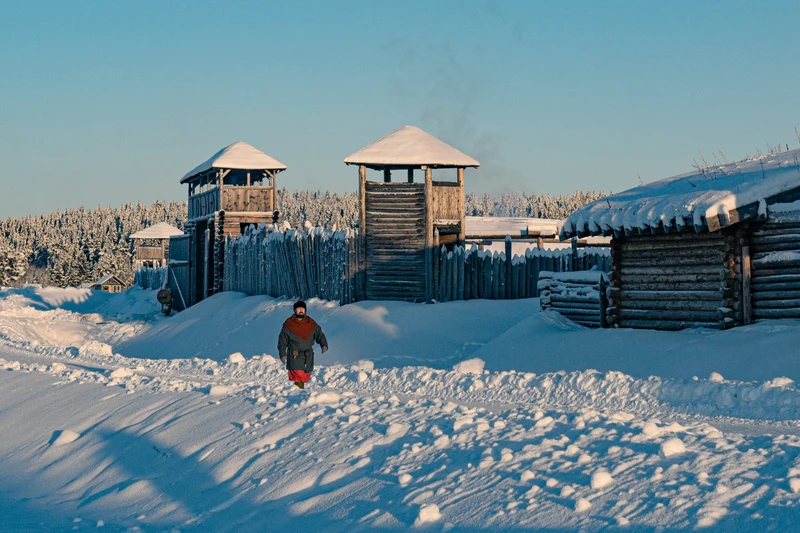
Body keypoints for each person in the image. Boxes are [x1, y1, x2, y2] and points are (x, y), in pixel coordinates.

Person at [277, 300, 328, 389]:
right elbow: (282, 341)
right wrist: (282, 354)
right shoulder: (289, 324)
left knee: (305, 376)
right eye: (298, 308)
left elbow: (319, 334)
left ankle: (299, 392)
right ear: (295, 310)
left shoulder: (311, 323)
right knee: (298, 374)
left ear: (305, 310)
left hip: (308, 355)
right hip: (294, 354)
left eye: (302, 308)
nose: (301, 310)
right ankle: (299, 391)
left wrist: (323, 344)